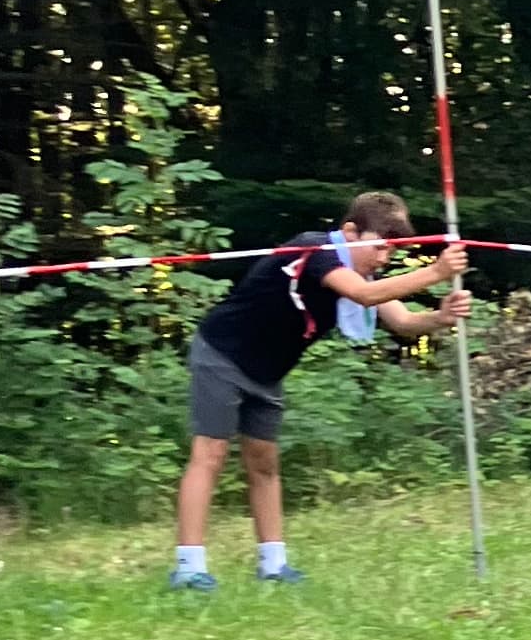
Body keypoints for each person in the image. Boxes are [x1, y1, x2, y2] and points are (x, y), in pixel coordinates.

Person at [170, 191, 471, 591]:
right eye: (379, 247)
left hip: (267, 371)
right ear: (350, 231)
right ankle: (189, 568)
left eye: (391, 252)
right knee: (211, 454)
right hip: (221, 354)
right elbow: (364, 296)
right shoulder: (315, 250)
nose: (383, 259)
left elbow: (402, 322)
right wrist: (436, 272)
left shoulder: (362, 273)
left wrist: (440, 317)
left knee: (264, 463)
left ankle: (273, 565)